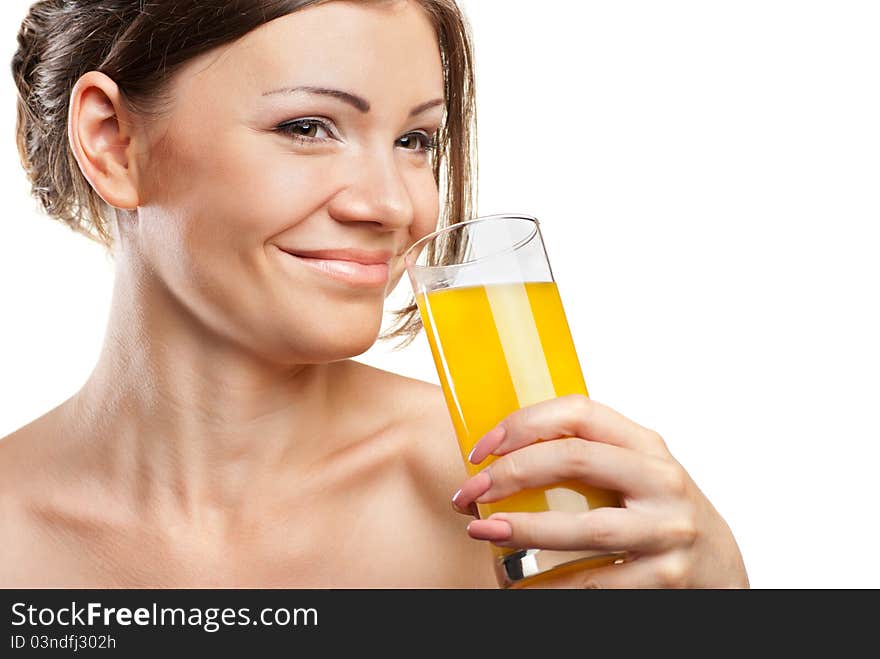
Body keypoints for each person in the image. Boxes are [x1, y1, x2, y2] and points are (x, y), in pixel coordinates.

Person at [0, 0, 748, 588]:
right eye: (308, 126)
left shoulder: (521, 505)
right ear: (111, 140)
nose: (392, 206)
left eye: (415, 140)